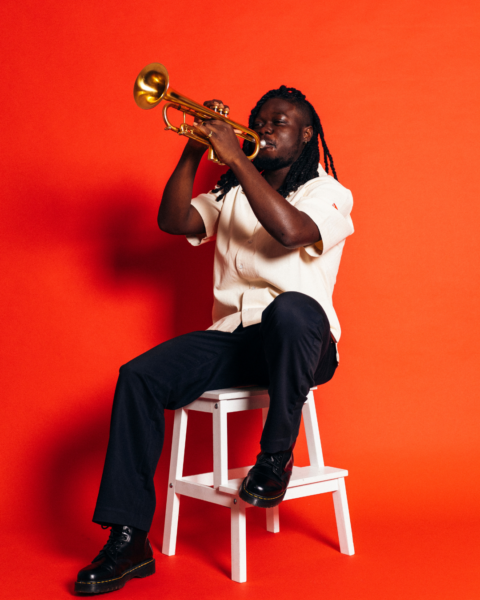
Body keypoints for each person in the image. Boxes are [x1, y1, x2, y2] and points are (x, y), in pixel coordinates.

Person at [74, 86, 354, 595]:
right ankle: (130, 538)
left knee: (290, 308)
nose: (265, 129)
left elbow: (291, 232)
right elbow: (173, 220)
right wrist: (193, 149)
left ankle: (275, 458)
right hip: (234, 340)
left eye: (280, 123)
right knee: (139, 377)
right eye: (260, 121)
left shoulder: (327, 191)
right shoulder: (227, 192)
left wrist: (236, 162)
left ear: (307, 135)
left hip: (302, 345)